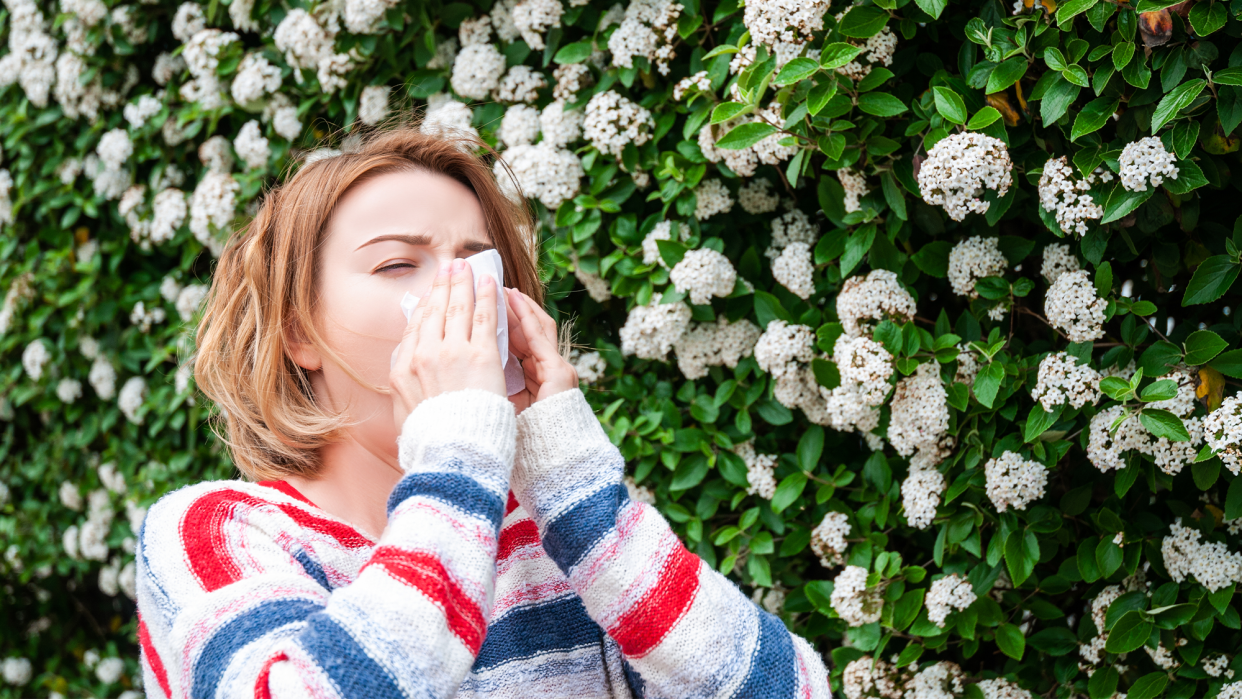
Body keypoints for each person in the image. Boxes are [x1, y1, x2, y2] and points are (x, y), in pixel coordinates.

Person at [134, 119, 831, 699]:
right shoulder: (214, 533)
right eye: (398, 264)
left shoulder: (560, 543)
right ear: (298, 330)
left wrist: (576, 489)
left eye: (477, 262)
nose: (459, 292)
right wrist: (454, 453)